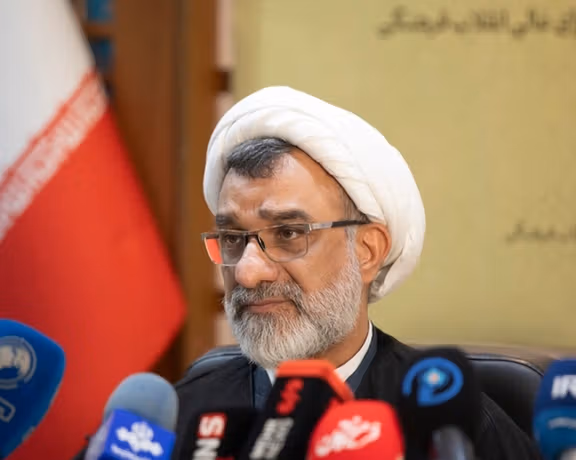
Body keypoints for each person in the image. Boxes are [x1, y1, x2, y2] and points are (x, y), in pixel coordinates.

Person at [73, 87, 541, 459]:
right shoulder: (179, 420)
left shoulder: (451, 427)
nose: (249, 273)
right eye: (233, 238)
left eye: (288, 233)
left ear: (368, 251)